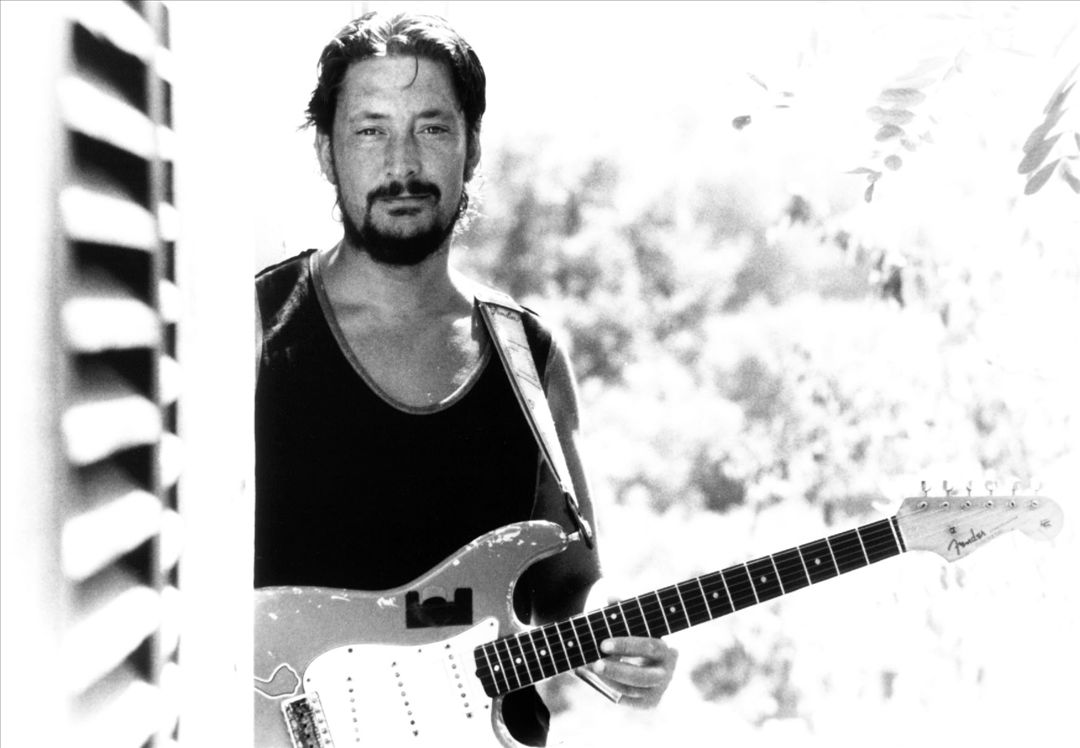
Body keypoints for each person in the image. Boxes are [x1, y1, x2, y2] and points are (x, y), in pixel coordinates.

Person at [254, 11, 677, 745]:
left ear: (472, 148)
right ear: (326, 151)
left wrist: (623, 645)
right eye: (370, 129)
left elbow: (569, 585)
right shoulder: (254, 329)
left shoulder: (527, 356)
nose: (403, 163)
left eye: (433, 128)